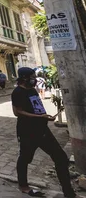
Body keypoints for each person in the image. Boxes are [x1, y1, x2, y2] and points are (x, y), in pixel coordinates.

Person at [12, 67, 75, 198]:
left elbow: (37, 107)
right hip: (27, 131)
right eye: (32, 77)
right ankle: (23, 186)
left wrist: (45, 116)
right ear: (24, 78)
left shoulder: (33, 91)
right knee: (25, 158)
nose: (34, 79)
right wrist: (40, 117)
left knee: (61, 157)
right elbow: (17, 112)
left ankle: (68, 192)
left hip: (42, 130)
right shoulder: (17, 92)